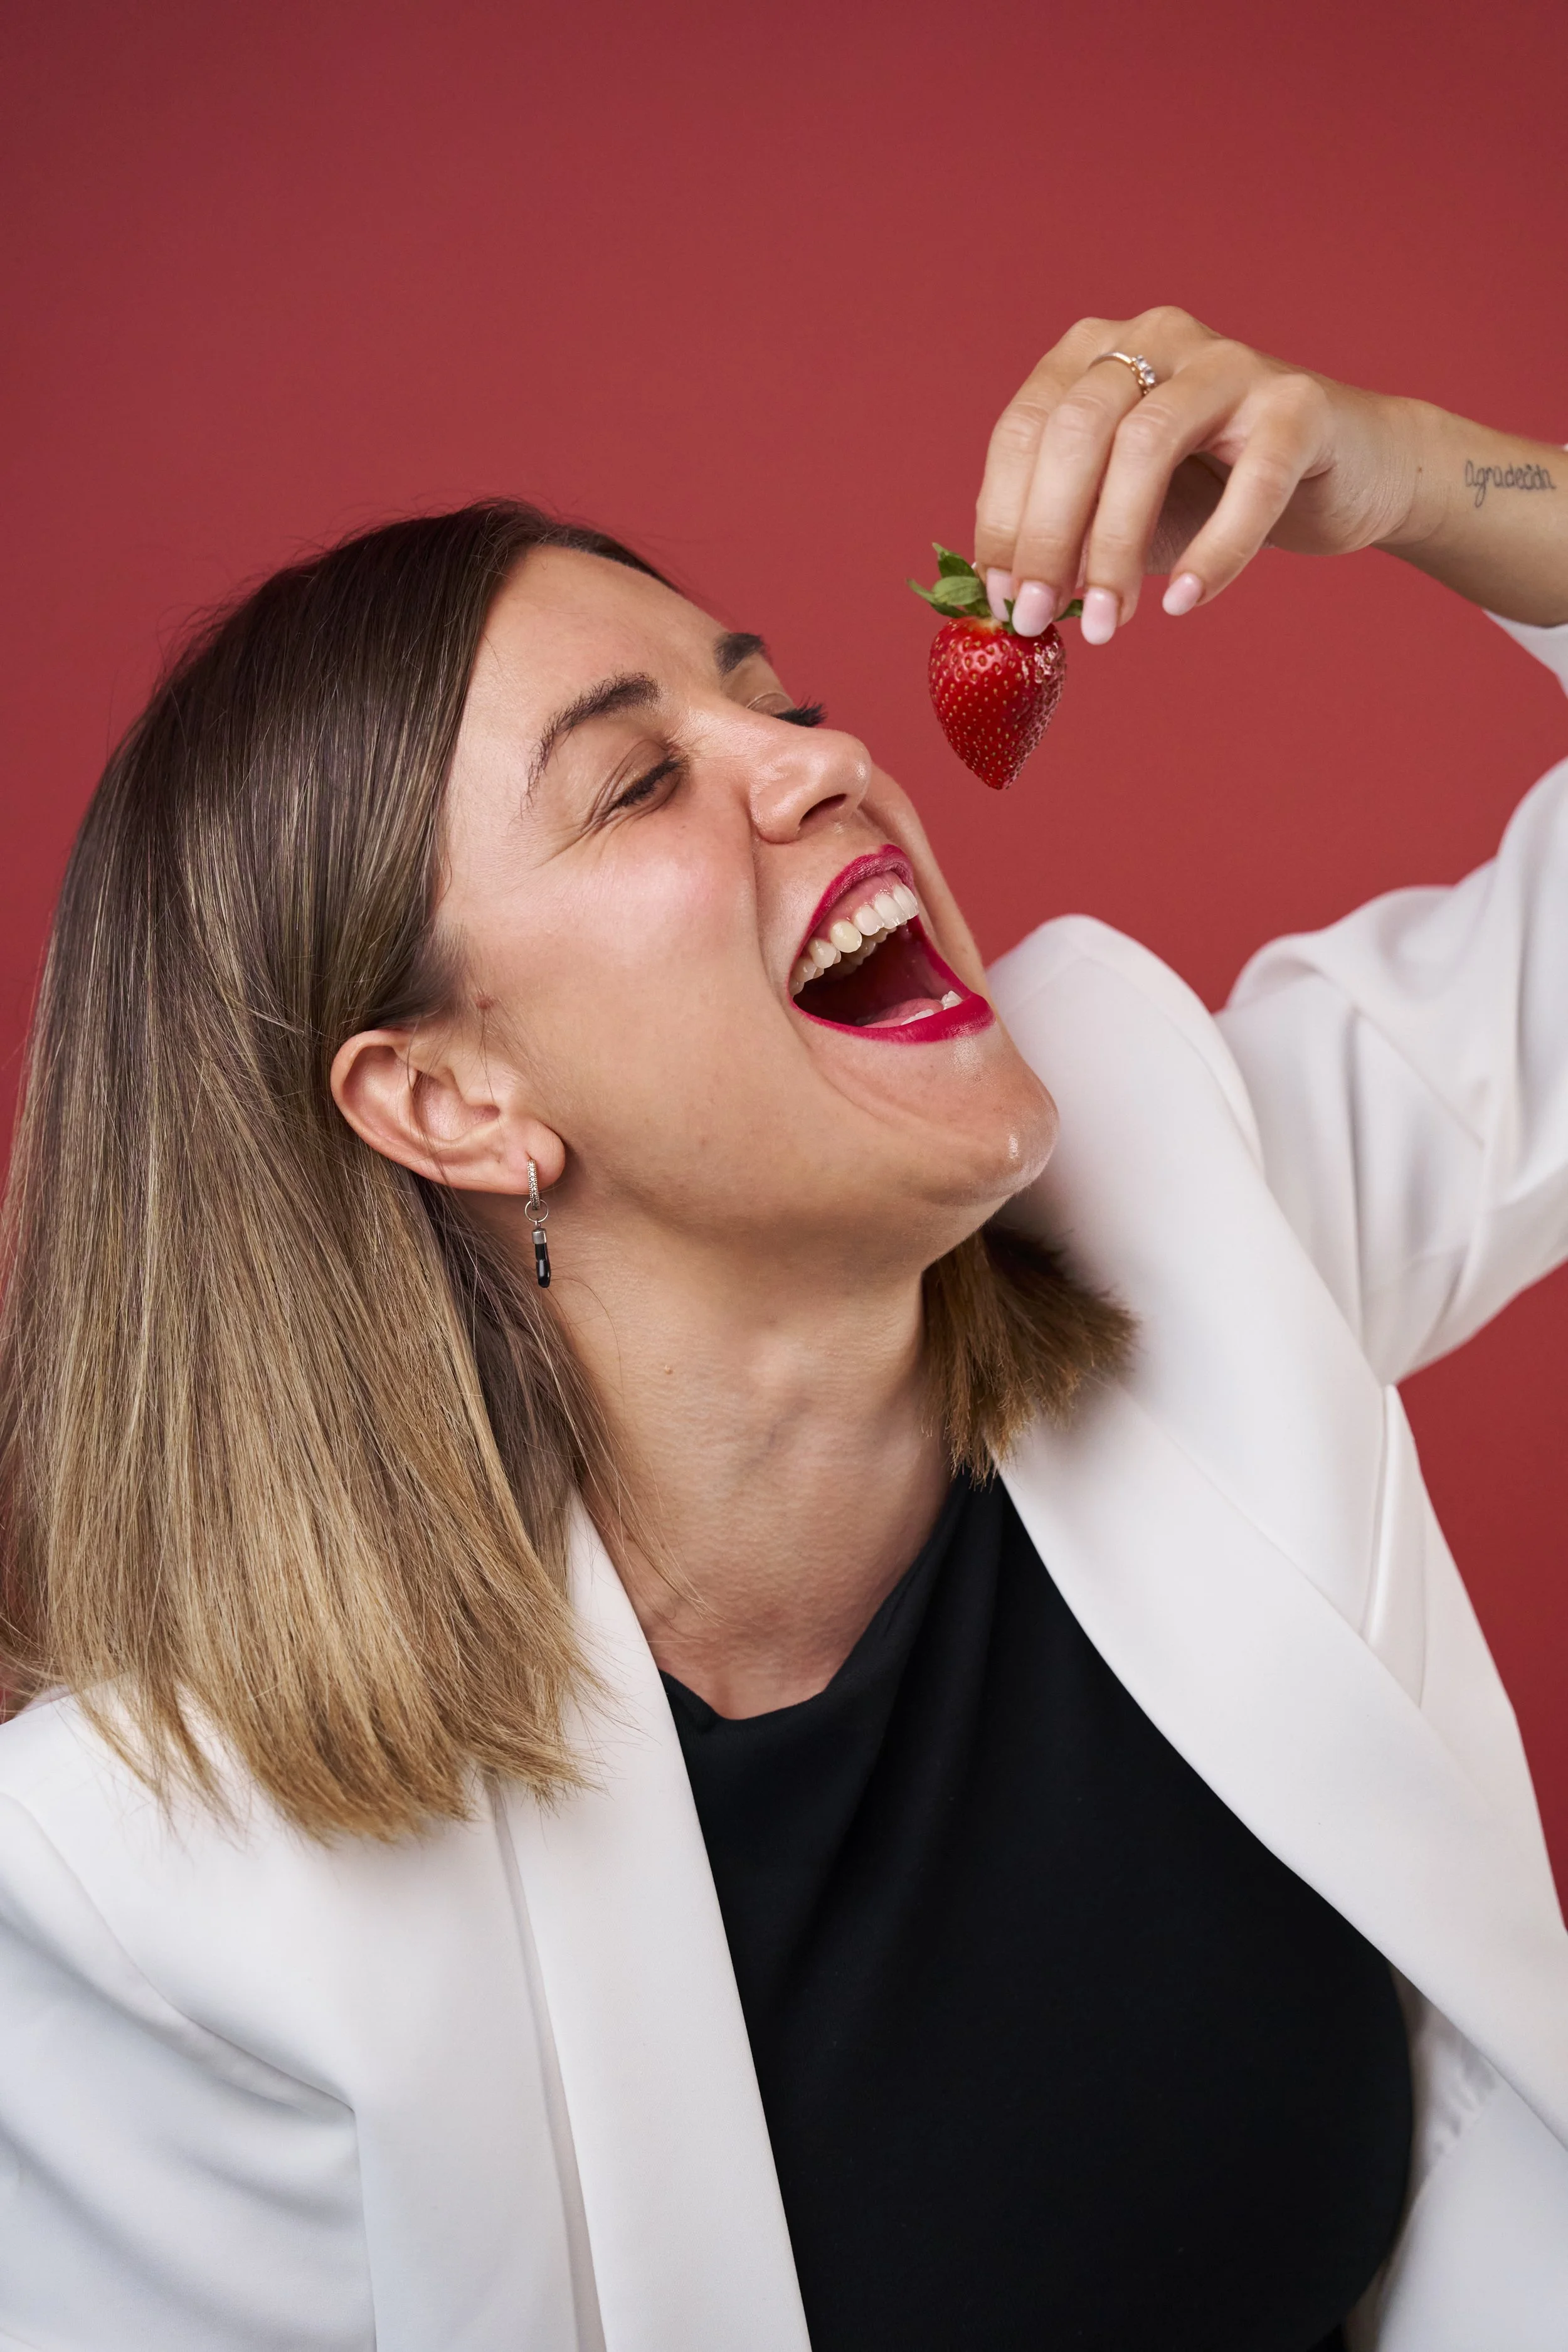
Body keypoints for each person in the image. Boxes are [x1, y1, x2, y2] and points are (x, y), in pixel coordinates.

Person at [1, 306, 1565, 2352]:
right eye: (642, 780)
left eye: (781, 697)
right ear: (449, 1100)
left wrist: (1433, 479)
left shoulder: (1180, 1194)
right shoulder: (154, 1893)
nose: (827, 756)